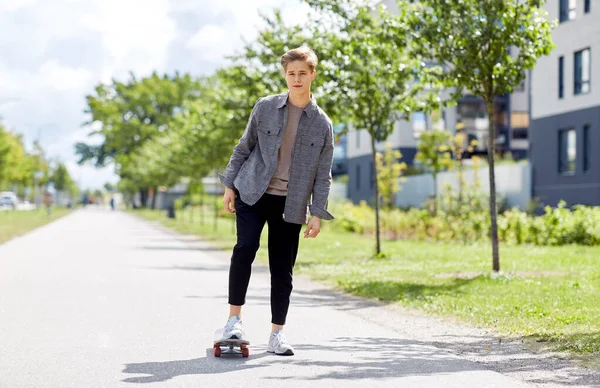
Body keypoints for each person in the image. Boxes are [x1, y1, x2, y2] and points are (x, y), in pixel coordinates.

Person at [218, 46, 335, 356]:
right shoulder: (266, 107)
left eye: (302, 73)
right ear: (285, 75)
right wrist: (229, 185)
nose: (296, 79)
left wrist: (317, 212)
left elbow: (323, 174)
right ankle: (233, 321)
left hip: (291, 203)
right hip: (253, 191)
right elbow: (243, 148)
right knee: (245, 248)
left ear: (312, 74)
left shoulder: (323, 124)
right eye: (290, 73)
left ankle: (277, 334)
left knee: (282, 269)